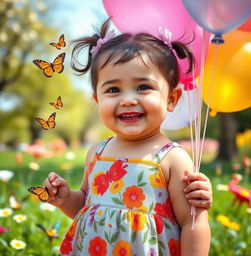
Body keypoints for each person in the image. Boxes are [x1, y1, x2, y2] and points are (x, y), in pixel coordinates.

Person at [44, 19, 212, 255]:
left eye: (143, 87)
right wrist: (65, 199)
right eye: (113, 90)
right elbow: (87, 206)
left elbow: (192, 223)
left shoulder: (172, 159)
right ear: (97, 100)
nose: (128, 100)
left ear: (172, 98)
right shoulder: (97, 151)